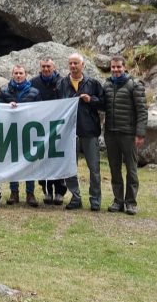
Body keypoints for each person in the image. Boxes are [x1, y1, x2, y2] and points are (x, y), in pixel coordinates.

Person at [101, 56, 147, 216]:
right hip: (111, 134)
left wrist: (140, 133)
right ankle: (118, 200)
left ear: (124, 68)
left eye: (118, 67)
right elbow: (101, 105)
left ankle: (131, 202)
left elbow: (142, 111)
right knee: (114, 169)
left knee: (131, 169)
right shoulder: (106, 85)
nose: (115, 70)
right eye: (113, 67)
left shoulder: (135, 85)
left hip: (128, 134)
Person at [60, 53, 104, 211]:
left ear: (82, 65)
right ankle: (75, 197)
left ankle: (95, 199)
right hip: (69, 133)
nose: (73, 66)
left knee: (94, 169)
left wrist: (91, 100)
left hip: (89, 132)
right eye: (70, 63)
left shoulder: (93, 83)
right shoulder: (62, 83)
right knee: (70, 168)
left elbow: (103, 104)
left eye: (76, 63)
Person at [0, 65, 40, 206]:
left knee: (29, 162)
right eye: (15, 73)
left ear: (25, 74)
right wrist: (7, 107)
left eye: (20, 73)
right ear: (12, 74)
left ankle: (30, 193)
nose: (18, 75)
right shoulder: (4, 91)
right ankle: (14, 192)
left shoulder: (34, 92)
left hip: (28, 131)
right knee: (13, 162)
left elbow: (41, 111)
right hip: (11, 130)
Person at [34, 58, 66, 206]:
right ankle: (47, 190)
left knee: (58, 157)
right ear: (40, 68)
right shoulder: (34, 82)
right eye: (43, 66)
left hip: (59, 126)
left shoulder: (62, 81)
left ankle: (60, 191)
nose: (46, 69)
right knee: (43, 159)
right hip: (41, 126)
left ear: (54, 67)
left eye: (49, 66)